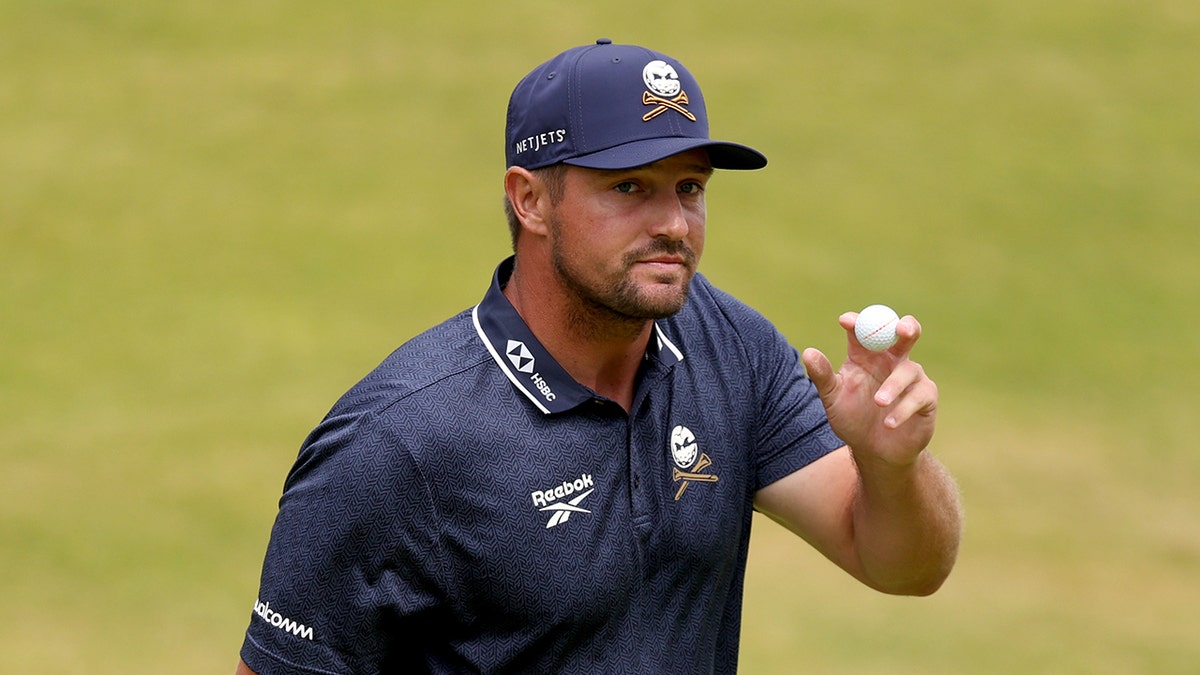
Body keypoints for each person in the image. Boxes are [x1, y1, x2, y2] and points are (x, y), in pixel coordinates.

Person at [236, 39, 962, 674]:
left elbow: (903, 565)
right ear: (531, 201)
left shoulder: (729, 348)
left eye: (690, 188)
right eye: (629, 188)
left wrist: (891, 466)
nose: (674, 223)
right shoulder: (399, 443)